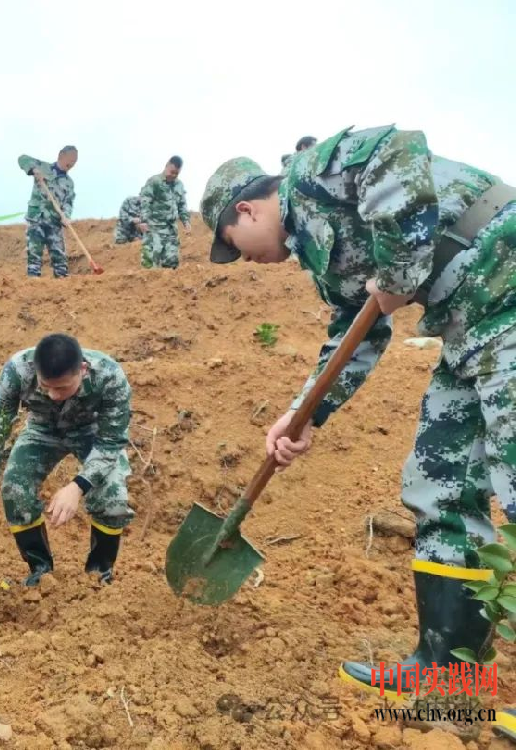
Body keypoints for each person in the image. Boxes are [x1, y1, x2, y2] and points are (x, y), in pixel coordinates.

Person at [200, 125, 516, 735]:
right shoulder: (319, 258)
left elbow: (401, 150)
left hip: (506, 286)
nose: (245, 259)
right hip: (468, 327)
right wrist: (303, 416)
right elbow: (357, 330)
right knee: (440, 485)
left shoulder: (316, 172)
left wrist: (399, 270)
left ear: (245, 209)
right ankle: (447, 677)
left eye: (234, 244)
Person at [0, 334, 134, 586]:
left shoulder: (109, 376)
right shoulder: (18, 369)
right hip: (42, 429)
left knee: (113, 496)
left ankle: (99, 574)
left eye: (63, 387)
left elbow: (111, 442)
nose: (54, 395)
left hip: (92, 432)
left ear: (83, 370)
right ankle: (40, 571)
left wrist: (78, 486)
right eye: (46, 386)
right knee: (14, 489)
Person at [17, 147, 77, 278]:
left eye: (74, 162)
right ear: (61, 155)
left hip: (54, 222)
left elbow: (68, 202)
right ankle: (34, 281)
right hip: (36, 218)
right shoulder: (43, 167)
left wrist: (66, 216)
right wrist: (33, 170)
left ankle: (62, 281)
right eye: (70, 160)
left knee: (59, 255)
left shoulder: (69, 183)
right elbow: (22, 159)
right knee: (34, 252)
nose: (72, 164)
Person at [139, 156, 190, 269]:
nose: (173, 175)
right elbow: (145, 201)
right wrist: (143, 221)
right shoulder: (154, 181)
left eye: (176, 173)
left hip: (171, 230)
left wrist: (186, 221)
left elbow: (182, 204)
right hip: (154, 228)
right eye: (171, 172)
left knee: (171, 263)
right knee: (150, 263)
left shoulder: (179, 185)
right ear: (166, 166)